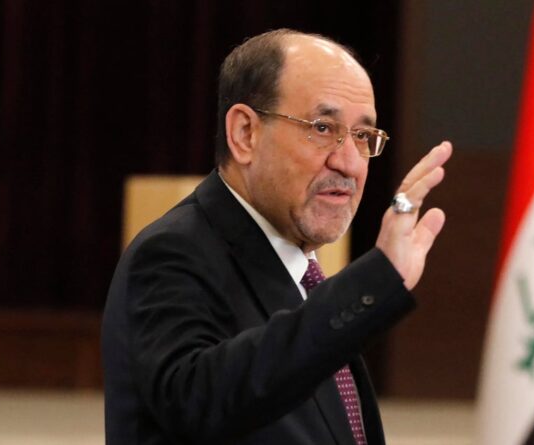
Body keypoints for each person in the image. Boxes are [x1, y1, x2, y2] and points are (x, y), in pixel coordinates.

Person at [101, 28, 452, 445]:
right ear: (245, 133)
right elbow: (199, 403)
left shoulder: (304, 274)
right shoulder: (173, 252)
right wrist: (370, 282)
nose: (349, 163)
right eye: (323, 127)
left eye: (362, 136)